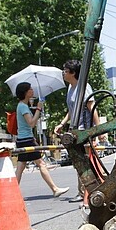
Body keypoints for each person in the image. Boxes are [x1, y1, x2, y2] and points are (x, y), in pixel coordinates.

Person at [54, 59, 101, 203]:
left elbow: (92, 109)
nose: (63, 73)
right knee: (78, 161)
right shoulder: (70, 88)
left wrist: (97, 131)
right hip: (74, 130)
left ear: (73, 73)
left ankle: (90, 191)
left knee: (87, 162)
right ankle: (82, 193)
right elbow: (71, 110)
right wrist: (62, 123)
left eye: (66, 71)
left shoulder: (84, 87)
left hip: (85, 130)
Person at [13, 82, 69, 197]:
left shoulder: (22, 105)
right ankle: (54, 189)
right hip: (27, 140)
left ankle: (12, 192)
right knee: (41, 164)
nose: (32, 90)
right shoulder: (23, 107)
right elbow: (31, 123)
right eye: (30, 89)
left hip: (22, 139)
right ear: (25, 92)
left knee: (21, 166)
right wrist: (39, 108)